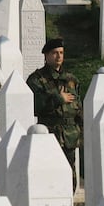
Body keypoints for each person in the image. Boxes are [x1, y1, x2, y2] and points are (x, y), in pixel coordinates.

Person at [26, 38, 82, 192]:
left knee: (69, 176)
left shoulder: (72, 80)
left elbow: (79, 110)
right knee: (48, 174)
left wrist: (80, 133)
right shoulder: (36, 80)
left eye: (61, 53)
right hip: (49, 134)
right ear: (46, 55)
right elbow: (35, 106)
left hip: (70, 135)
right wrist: (58, 98)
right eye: (54, 53)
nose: (59, 56)